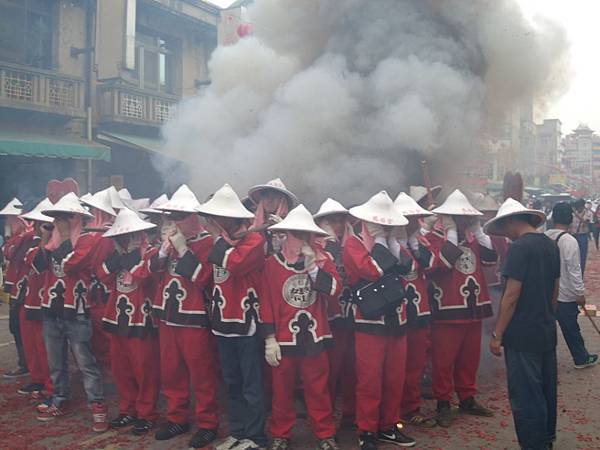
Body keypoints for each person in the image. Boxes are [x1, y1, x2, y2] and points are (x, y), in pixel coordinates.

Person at [261, 205, 341, 450]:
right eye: (294, 233)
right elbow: (267, 301)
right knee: (282, 391)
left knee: (318, 389)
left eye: (303, 233)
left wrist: (313, 267)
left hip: (315, 334)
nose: (298, 238)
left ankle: (325, 433)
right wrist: (269, 338)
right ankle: (281, 433)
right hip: (284, 338)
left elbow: (336, 291)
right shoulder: (272, 264)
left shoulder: (323, 260)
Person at [197, 183, 268, 450]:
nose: (212, 221)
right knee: (232, 383)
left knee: (251, 384)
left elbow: (235, 264)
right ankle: (238, 432)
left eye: (217, 216)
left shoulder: (254, 240)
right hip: (222, 323)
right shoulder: (222, 241)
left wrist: (220, 241)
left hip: (246, 324)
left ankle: (256, 436)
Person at [343, 191, 416, 450]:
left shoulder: (391, 242)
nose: (385, 226)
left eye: (388, 223)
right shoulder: (353, 243)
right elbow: (372, 271)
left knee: (395, 377)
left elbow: (410, 269)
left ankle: (388, 426)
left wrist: (393, 242)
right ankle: (367, 431)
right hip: (369, 322)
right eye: (381, 223)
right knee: (370, 379)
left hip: (397, 318)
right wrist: (379, 242)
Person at [485, 198, 559, 450]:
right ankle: (546, 438)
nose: (504, 234)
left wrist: (497, 333)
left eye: (504, 228)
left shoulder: (519, 249)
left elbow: (512, 294)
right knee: (546, 388)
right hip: (546, 329)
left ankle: (533, 444)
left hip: (522, 333)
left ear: (512, 221)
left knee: (526, 393)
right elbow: (554, 290)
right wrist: (547, 315)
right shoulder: (550, 245)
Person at [151, 184, 221, 448]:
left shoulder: (208, 243)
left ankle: (207, 423)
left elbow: (204, 279)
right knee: (171, 371)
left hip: (194, 318)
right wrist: (162, 251)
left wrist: (182, 250)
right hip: (168, 315)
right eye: (172, 216)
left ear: (194, 216)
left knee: (201, 374)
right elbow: (152, 272)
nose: (175, 221)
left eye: (180, 216)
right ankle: (177, 417)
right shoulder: (169, 241)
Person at [32, 192, 108, 432]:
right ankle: (59, 398)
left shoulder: (88, 241)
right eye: (56, 218)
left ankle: (97, 404)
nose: (58, 222)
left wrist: (63, 236)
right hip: (51, 309)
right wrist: (46, 238)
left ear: (76, 218)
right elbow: (37, 266)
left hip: (76, 310)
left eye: (64, 217)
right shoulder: (52, 240)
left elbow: (72, 264)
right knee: (56, 361)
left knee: (86, 362)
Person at [426, 190, 496, 427]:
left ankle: (467, 397)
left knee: (470, 357)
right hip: (447, 306)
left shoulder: (472, 236)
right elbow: (442, 264)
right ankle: (443, 402)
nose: (463, 221)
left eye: (466, 218)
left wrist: (478, 231)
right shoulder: (434, 236)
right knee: (444, 360)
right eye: (458, 217)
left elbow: (489, 259)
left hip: (473, 304)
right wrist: (451, 233)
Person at [99, 208, 161, 435]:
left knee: (144, 369)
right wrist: (118, 259)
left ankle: (147, 413)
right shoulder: (116, 256)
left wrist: (133, 257)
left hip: (142, 320)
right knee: (121, 368)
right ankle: (127, 410)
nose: (124, 240)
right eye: (120, 237)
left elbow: (143, 276)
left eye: (129, 236)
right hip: (117, 317)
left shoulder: (151, 253)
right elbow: (102, 275)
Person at [392, 193, 438, 429]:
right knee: (395, 367)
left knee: (415, 365)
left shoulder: (419, 242)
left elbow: (432, 265)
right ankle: (392, 412)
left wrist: (414, 244)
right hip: (396, 314)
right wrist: (399, 244)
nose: (411, 223)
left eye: (414, 218)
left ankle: (411, 407)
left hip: (419, 310)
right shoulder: (385, 244)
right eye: (406, 219)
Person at [314, 198, 356, 428]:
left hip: (354, 313)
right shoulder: (315, 246)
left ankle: (350, 415)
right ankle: (326, 419)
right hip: (329, 317)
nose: (337, 226)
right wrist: (328, 242)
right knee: (329, 371)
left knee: (353, 368)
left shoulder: (355, 242)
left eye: (340, 220)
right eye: (331, 221)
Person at [545, 202, 598, 369]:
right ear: (570, 219)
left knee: (546, 327)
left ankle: (545, 360)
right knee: (571, 329)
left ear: (553, 218)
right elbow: (575, 270)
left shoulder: (545, 236)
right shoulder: (569, 241)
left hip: (545, 293)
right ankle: (581, 358)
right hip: (564, 294)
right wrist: (579, 293)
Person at [17, 199, 55, 399]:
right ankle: (37, 378)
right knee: (31, 345)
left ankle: (50, 384)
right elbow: (35, 262)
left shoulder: (57, 245)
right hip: (29, 300)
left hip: (45, 303)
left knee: (45, 348)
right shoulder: (34, 245)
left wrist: (50, 239)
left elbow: (43, 264)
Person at [1, 197, 30, 379]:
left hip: (24, 290)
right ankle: (24, 362)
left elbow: (10, 253)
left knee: (20, 327)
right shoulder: (16, 237)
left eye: (11, 218)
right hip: (15, 289)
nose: (8, 222)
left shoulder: (26, 237)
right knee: (15, 327)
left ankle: (25, 364)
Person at [569, 199, 592, 274]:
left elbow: (585, 221)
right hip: (572, 236)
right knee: (571, 256)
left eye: (579, 206)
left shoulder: (587, 212)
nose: (578, 208)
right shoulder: (572, 213)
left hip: (582, 236)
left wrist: (576, 214)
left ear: (582, 206)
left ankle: (581, 274)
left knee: (582, 257)